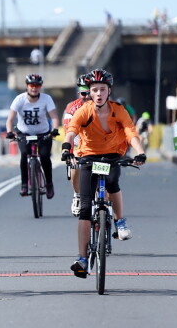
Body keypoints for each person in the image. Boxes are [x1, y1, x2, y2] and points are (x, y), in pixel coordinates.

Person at [60, 68, 146, 278]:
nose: (99, 94)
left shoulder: (119, 110)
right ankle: (81, 258)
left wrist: (140, 152)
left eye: (102, 89)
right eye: (95, 90)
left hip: (112, 156)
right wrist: (66, 147)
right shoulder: (85, 111)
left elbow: (130, 132)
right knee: (85, 210)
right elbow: (72, 130)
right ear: (89, 92)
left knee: (113, 184)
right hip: (88, 157)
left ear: (109, 91)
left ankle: (120, 221)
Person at [5, 73, 60, 199]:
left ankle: (49, 184)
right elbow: (10, 120)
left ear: (40, 86)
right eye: (31, 85)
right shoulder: (19, 99)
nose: (34, 88)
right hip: (24, 133)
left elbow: (54, 117)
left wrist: (54, 130)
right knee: (24, 154)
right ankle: (24, 185)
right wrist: (9, 132)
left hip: (43, 133)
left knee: (45, 156)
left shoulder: (46, 99)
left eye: (37, 85)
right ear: (27, 86)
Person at [62, 74, 92, 217]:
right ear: (79, 93)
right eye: (83, 93)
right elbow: (69, 132)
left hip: (97, 144)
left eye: (89, 93)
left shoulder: (104, 106)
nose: (86, 97)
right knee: (75, 164)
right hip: (78, 142)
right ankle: (78, 195)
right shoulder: (72, 108)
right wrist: (70, 153)